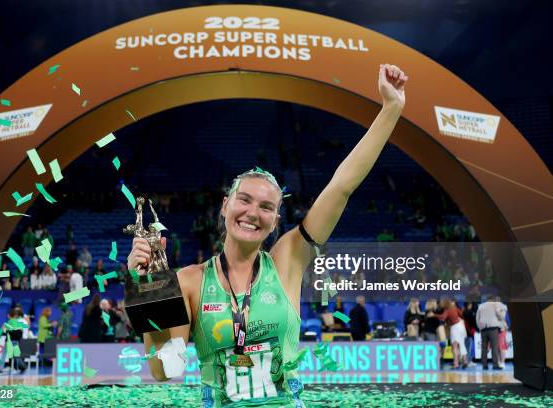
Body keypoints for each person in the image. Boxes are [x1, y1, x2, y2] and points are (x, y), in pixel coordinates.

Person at [128, 64, 408, 406]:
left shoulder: (287, 259)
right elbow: (163, 370)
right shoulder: (188, 281)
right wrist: (147, 288)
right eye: (243, 200)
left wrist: (391, 109)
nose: (252, 212)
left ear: (276, 220)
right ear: (224, 206)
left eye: (265, 206)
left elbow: (342, 186)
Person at [435, 298, 468, 369]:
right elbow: (462, 314)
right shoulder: (454, 307)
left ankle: (456, 364)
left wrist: (434, 315)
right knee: (462, 344)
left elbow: (443, 317)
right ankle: (465, 361)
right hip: (461, 325)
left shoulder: (448, 309)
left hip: (455, 327)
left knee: (455, 346)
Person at [476, 295, 505, 370]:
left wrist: (480, 327)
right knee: (494, 348)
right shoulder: (495, 306)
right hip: (493, 329)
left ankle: (484, 365)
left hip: (483, 329)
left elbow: (477, 319)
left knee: (484, 348)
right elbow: (501, 317)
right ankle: (495, 365)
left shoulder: (481, 306)